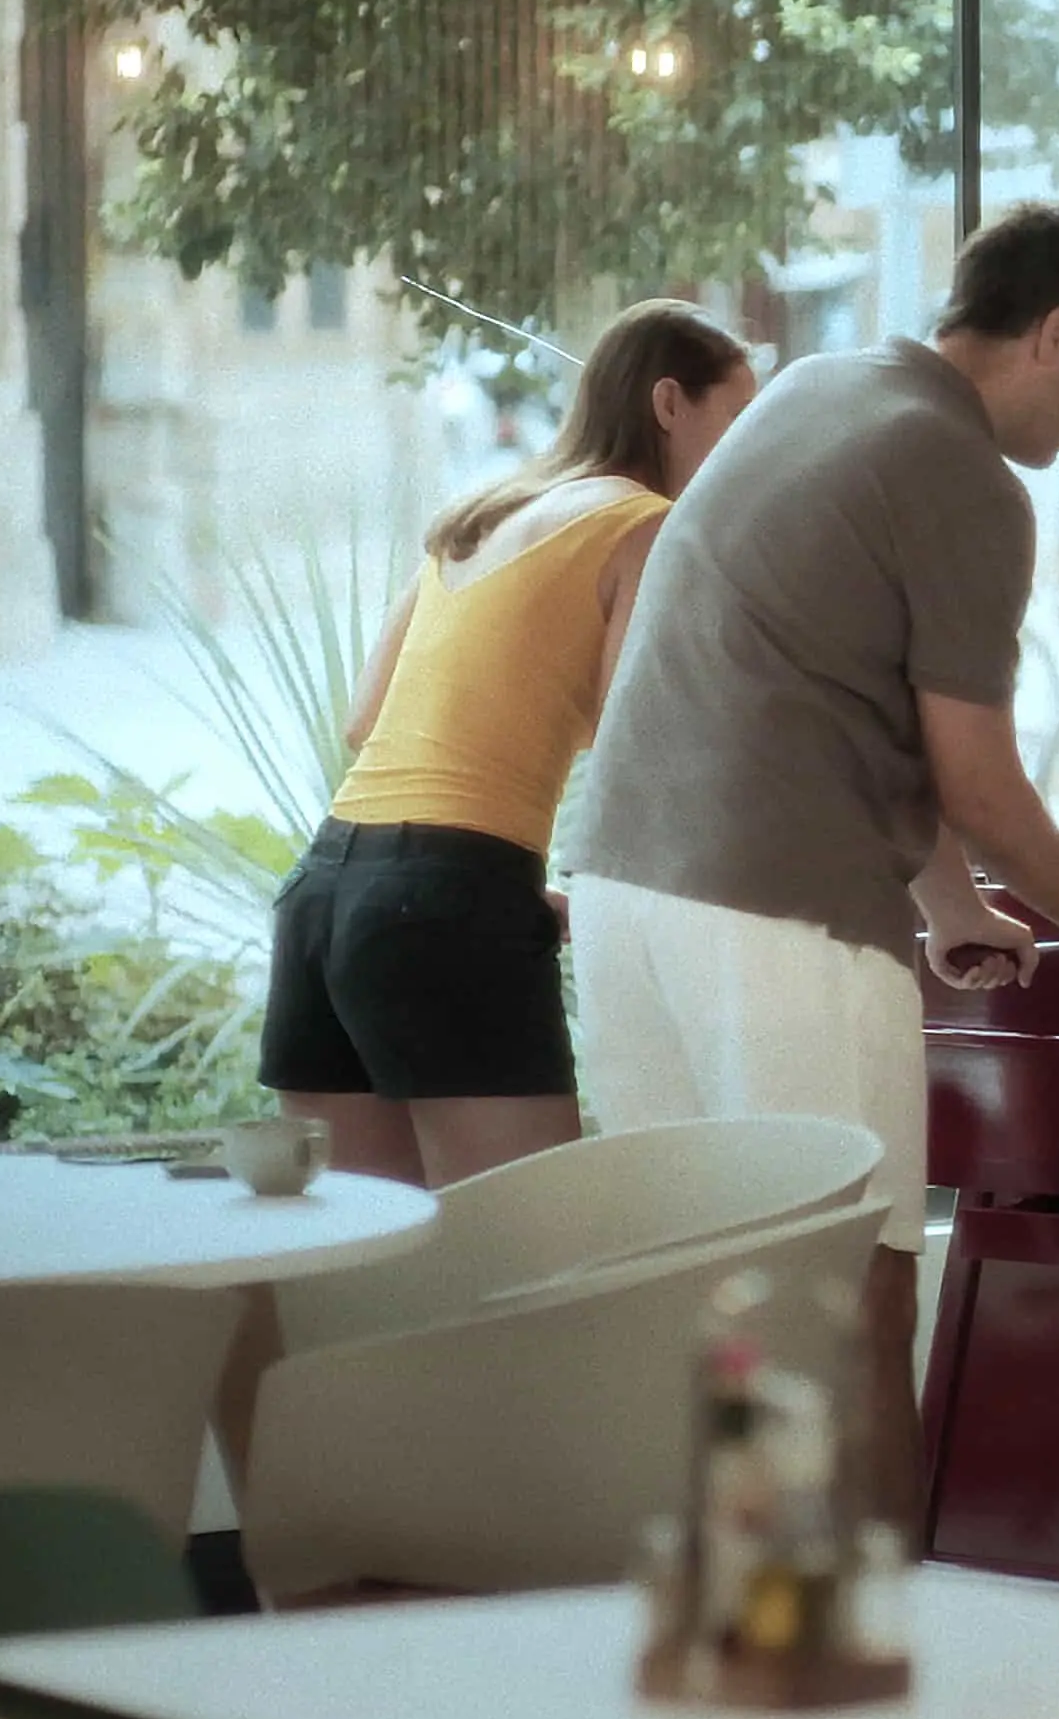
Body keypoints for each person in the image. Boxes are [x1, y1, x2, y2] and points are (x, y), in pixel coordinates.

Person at [562, 201, 1059, 1520]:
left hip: (620, 891)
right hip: (780, 914)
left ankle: (711, 1654)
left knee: (691, 1294)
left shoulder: (821, 389)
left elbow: (844, 694)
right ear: (1052, 333)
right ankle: (874, 1656)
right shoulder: (966, 477)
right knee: (858, 1301)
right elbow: (981, 782)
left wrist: (950, 908)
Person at [259, 298, 758, 1190]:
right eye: (738, 418)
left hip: (327, 896)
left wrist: (495, 886)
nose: (747, 450)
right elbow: (631, 738)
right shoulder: (646, 524)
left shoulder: (480, 516)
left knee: (368, 1264)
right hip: (446, 906)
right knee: (535, 1254)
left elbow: (364, 720)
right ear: (671, 403)